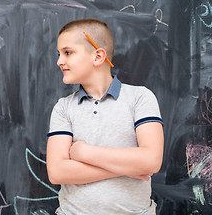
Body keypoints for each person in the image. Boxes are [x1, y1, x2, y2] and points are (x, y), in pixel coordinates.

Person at [46, 18, 164, 215]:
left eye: (68, 52)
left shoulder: (140, 98)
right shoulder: (63, 108)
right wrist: (130, 168)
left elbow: (151, 160)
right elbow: (57, 172)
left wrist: (84, 153)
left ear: (98, 56)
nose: (59, 61)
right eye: (59, 54)